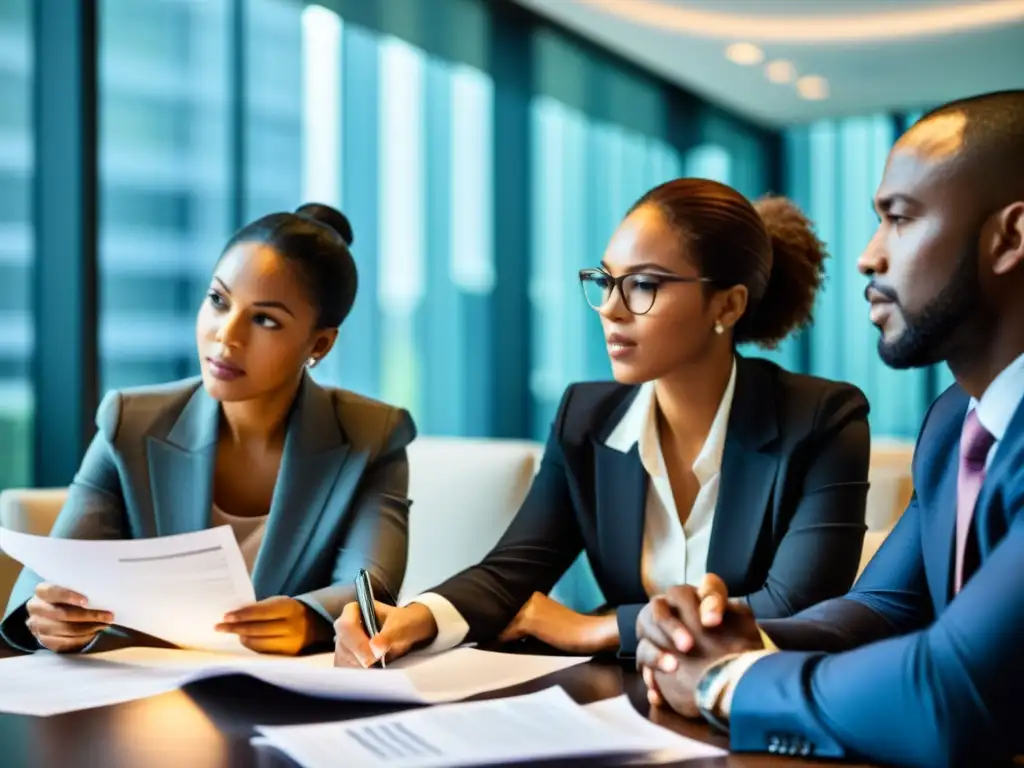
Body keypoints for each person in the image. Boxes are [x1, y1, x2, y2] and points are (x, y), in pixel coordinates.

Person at [635, 90, 1024, 768]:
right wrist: (722, 638)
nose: (868, 258)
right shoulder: (953, 424)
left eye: (898, 219)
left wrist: (726, 682)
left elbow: (953, 692)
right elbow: (882, 607)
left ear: (1010, 239)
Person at [334, 177, 872, 668]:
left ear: (727, 306)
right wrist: (415, 619)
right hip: (623, 700)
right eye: (605, 281)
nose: (610, 309)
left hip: (755, 704)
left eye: (643, 285)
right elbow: (512, 571)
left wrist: (596, 629)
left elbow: (796, 611)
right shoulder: (585, 419)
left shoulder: (823, 420)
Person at [1, 203, 416, 656]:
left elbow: (371, 586)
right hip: (145, 697)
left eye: (265, 320)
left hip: (289, 700)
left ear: (319, 344)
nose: (227, 336)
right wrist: (47, 614)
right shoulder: (130, 422)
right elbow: (56, 569)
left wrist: (312, 619)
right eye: (218, 301)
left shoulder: (373, 436)